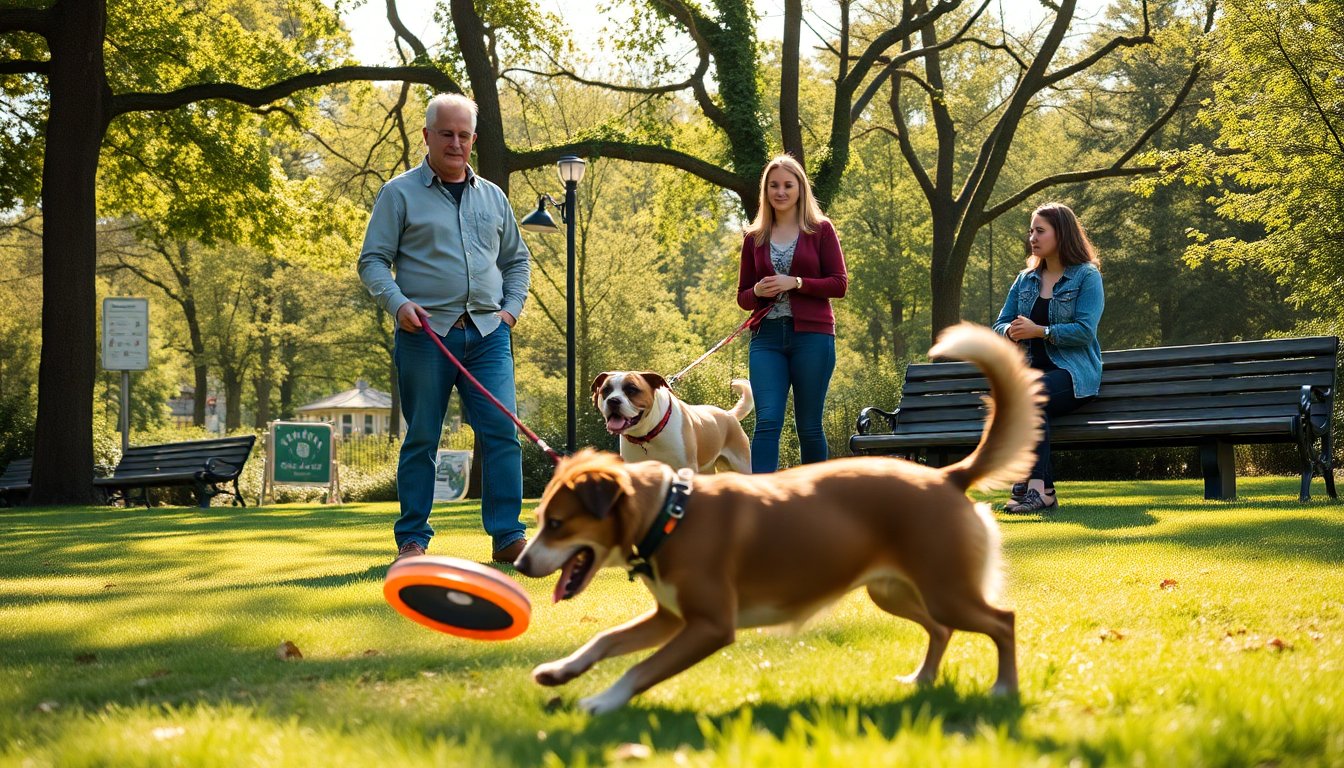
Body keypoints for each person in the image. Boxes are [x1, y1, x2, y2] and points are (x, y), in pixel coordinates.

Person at [358, 93, 531, 563]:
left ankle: (508, 538)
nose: (456, 144)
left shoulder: (494, 196)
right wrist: (397, 305)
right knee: (423, 437)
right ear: (427, 136)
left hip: (489, 335)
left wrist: (509, 312)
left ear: (474, 139)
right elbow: (372, 260)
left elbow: (517, 261)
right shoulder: (399, 193)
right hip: (425, 336)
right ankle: (412, 540)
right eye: (447, 134)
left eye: (464, 135)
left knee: (501, 433)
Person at [736, 155, 848, 473]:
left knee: (809, 425)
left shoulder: (821, 230)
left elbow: (839, 284)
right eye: (774, 185)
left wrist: (795, 282)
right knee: (767, 420)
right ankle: (760, 505)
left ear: (800, 188)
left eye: (788, 185)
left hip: (813, 337)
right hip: (767, 339)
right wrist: (758, 291)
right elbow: (743, 297)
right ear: (765, 190)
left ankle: (815, 505)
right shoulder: (753, 237)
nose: (780, 191)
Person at [992, 202, 1104, 513]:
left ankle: (1033, 486)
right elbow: (1000, 322)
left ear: (1062, 233)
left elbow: (1084, 330)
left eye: (1040, 231)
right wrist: (1010, 332)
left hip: (1073, 374)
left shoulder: (1086, 277)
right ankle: (1044, 490)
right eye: (1031, 231)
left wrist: (1039, 331)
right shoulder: (1025, 279)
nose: (1033, 237)